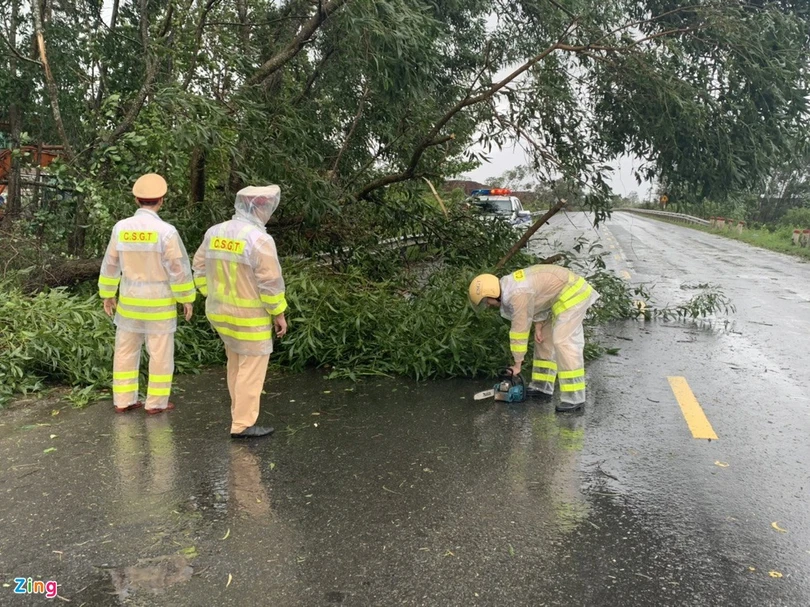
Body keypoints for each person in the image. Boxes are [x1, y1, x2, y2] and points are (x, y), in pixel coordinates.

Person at [192, 185, 288, 439]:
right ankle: (242, 424)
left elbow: (199, 266)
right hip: (249, 317)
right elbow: (270, 283)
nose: (268, 211)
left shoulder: (215, 232)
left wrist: (208, 293)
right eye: (266, 207)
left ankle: (238, 413)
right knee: (251, 368)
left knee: (235, 363)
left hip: (220, 313)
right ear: (257, 207)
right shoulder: (259, 240)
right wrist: (278, 313)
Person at [98, 173, 195, 414]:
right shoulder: (167, 232)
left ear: (136, 200)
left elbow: (110, 264)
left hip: (130, 304)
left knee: (125, 351)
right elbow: (178, 269)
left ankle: (123, 399)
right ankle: (156, 403)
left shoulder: (121, 228)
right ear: (161, 200)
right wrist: (186, 298)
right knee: (160, 354)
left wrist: (107, 293)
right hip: (159, 304)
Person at [468, 265, 599, 412]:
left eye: (487, 301)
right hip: (556, 299)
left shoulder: (516, 294)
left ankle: (575, 398)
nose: (488, 305)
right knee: (543, 339)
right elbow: (539, 299)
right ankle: (541, 387)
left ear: (492, 293)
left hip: (572, 294)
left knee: (564, 342)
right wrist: (538, 325)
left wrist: (517, 364)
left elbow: (519, 330)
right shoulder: (510, 288)